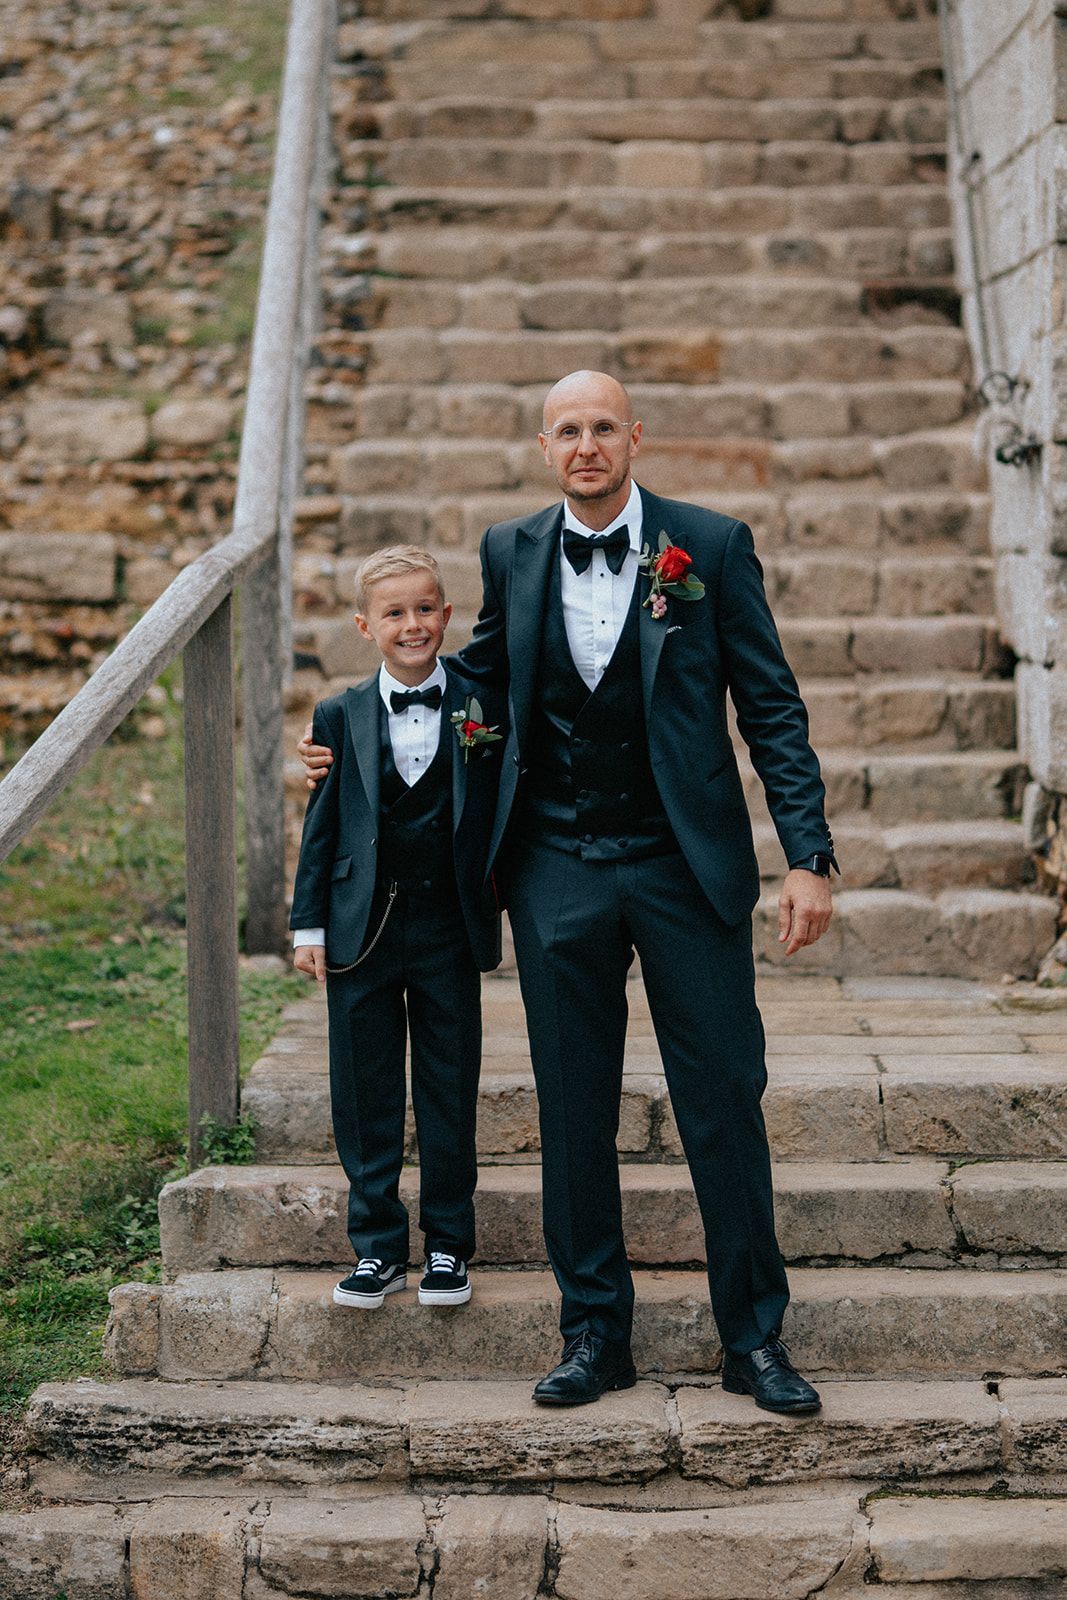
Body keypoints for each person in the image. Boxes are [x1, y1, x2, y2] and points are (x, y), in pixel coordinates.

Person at [299, 372, 837, 1411]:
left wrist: (806, 856)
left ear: (633, 437)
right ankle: (593, 1333)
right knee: (571, 1106)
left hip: (684, 866)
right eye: (566, 431)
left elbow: (770, 706)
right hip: (555, 865)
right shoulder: (510, 549)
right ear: (544, 449)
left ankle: (753, 1340)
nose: (585, 446)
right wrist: (352, 732)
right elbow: (480, 679)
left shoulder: (710, 545)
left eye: (601, 428)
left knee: (723, 1099)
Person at [290, 545, 503, 1312]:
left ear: (446, 615)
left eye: (423, 609)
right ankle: (376, 1247)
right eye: (393, 613)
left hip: (449, 923)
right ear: (364, 627)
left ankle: (447, 1245)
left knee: (449, 1085)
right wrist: (307, 926)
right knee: (363, 1088)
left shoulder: (484, 703)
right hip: (361, 931)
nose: (411, 625)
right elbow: (322, 827)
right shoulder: (337, 715)